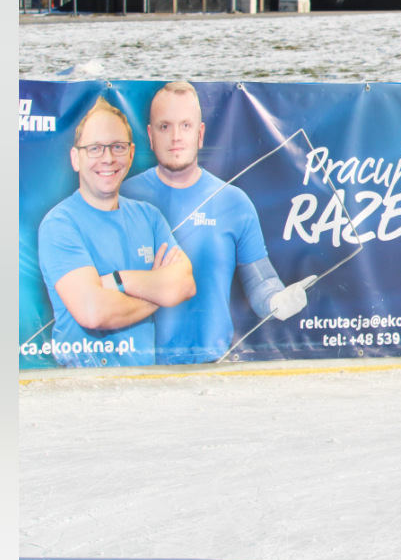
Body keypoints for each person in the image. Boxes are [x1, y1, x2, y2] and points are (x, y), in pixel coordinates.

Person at [122, 78, 310, 365]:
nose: (175, 137)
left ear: (200, 134)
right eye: (165, 126)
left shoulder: (234, 202)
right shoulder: (122, 198)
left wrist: (277, 301)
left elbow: (260, 282)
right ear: (150, 135)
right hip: (138, 369)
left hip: (212, 367)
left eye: (185, 126)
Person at [35, 98, 195, 367]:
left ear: (131, 154)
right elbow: (93, 311)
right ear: (76, 158)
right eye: (95, 148)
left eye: (117, 147)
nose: (108, 158)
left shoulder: (150, 217)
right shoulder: (59, 224)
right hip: (81, 383)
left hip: (143, 382)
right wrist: (157, 295)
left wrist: (117, 280)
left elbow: (185, 284)